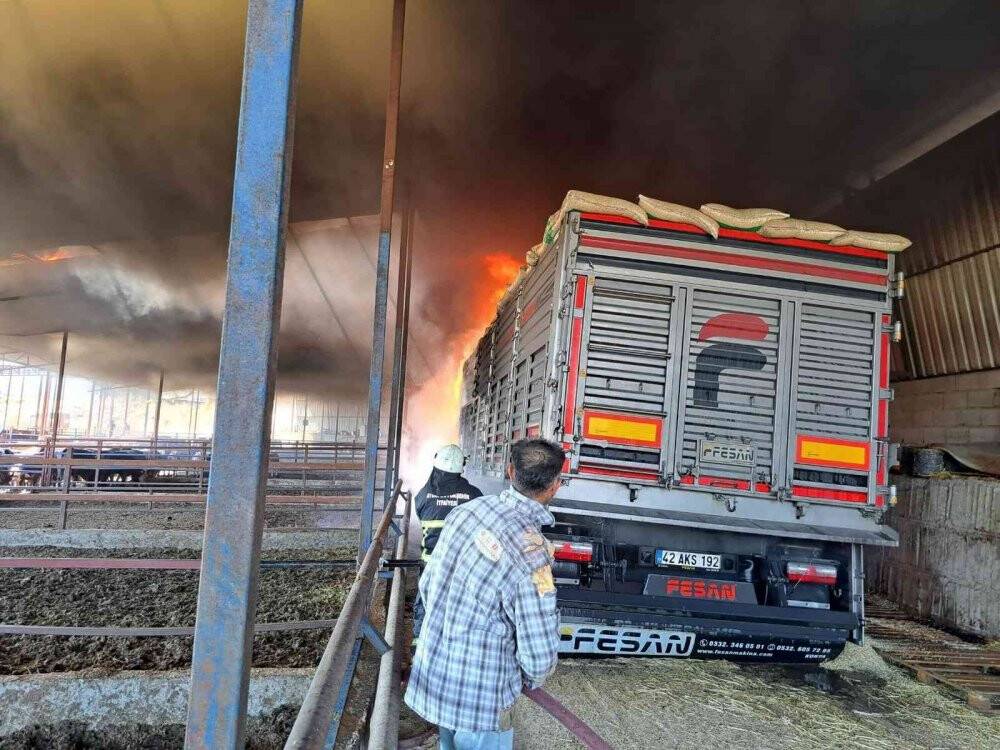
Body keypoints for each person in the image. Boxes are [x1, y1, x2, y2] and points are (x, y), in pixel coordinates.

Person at [404, 438, 565, 750]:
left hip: (439, 679)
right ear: (555, 486)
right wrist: (532, 676)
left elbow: (428, 584)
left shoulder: (467, 512)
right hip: (481, 701)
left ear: (510, 471)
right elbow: (538, 655)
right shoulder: (533, 553)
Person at [412, 444, 483, 639]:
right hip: (463, 567)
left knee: (426, 605)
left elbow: (422, 518)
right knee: (460, 609)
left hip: (431, 564)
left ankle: (420, 646)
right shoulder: (474, 495)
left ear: (436, 464)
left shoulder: (422, 496)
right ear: (461, 467)